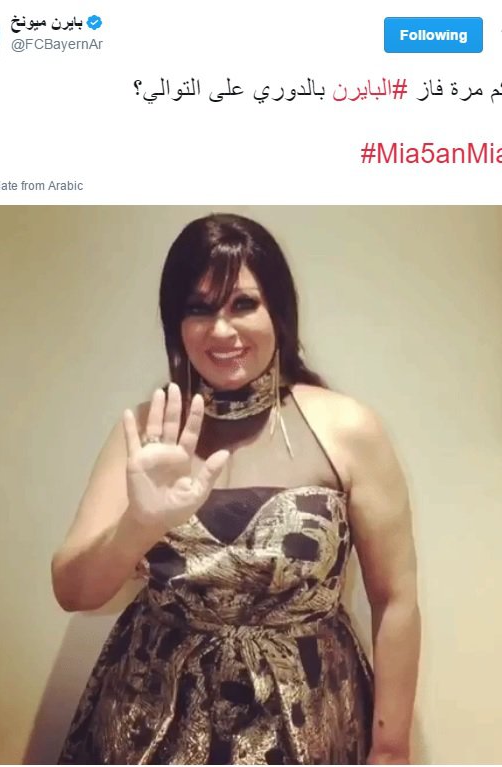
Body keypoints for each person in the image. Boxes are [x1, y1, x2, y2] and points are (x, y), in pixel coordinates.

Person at [52, 213, 421, 765]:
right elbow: (73, 592)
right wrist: (139, 524)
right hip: (151, 721)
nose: (222, 330)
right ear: (176, 323)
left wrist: (391, 748)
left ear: (279, 312)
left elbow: (395, 600)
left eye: (243, 304)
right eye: (199, 308)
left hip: (310, 716)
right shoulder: (147, 431)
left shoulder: (348, 429)